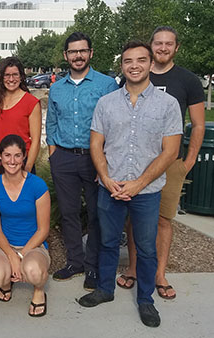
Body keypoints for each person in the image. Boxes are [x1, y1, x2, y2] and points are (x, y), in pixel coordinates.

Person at [79, 41, 182, 328]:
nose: (134, 65)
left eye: (140, 60)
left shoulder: (168, 105)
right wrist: (107, 178)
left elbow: (170, 151)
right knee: (108, 242)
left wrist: (138, 183)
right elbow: (96, 145)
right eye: (128, 61)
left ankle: (146, 300)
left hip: (147, 192)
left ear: (150, 64)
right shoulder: (106, 103)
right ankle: (105, 290)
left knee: (147, 248)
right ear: (121, 66)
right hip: (109, 188)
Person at [117, 26, 206, 300]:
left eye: (169, 44)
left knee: (163, 221)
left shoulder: (188, 81)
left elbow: (199, 124)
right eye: (158, 43)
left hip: (170, 163)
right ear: (151, 46)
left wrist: (188, 160)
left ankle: (159, 274)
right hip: (137, 161)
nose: (163, 48)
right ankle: (132, 269)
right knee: (134, 219)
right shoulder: (134, 75)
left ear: (176, 47)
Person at [46, 32, 119, 290]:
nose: (78, 56)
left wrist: (105, 163)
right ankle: (75, 262)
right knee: (69, 213)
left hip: (95, 159)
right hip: (64, 158)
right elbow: (51, 122)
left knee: (97, 214)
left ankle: (93, 267)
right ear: (66, 55)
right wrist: (53, 153)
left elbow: (114, 125)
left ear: (90, 53)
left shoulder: (106, 85)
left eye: (82, 51)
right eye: (73, 51)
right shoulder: (56, 87)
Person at [0, 134, 51, 317]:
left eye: (17, 155)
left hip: (33, 244)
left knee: (33, 272)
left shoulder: (38, 185)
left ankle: (39, 290)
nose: (12, 161)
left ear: (24, 157)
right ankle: (6, 283)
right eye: (7, 155)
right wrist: (11, 255)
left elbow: (43, 229)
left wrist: (20, 255)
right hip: (4, 243)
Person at [0, 56, 41, 180]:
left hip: (19, 162)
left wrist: (27, 169)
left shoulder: (31, 102)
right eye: (7, 75)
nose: (11, 79)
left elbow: (36, 140)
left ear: (21, 76)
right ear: (1, 77)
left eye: (15, 75)